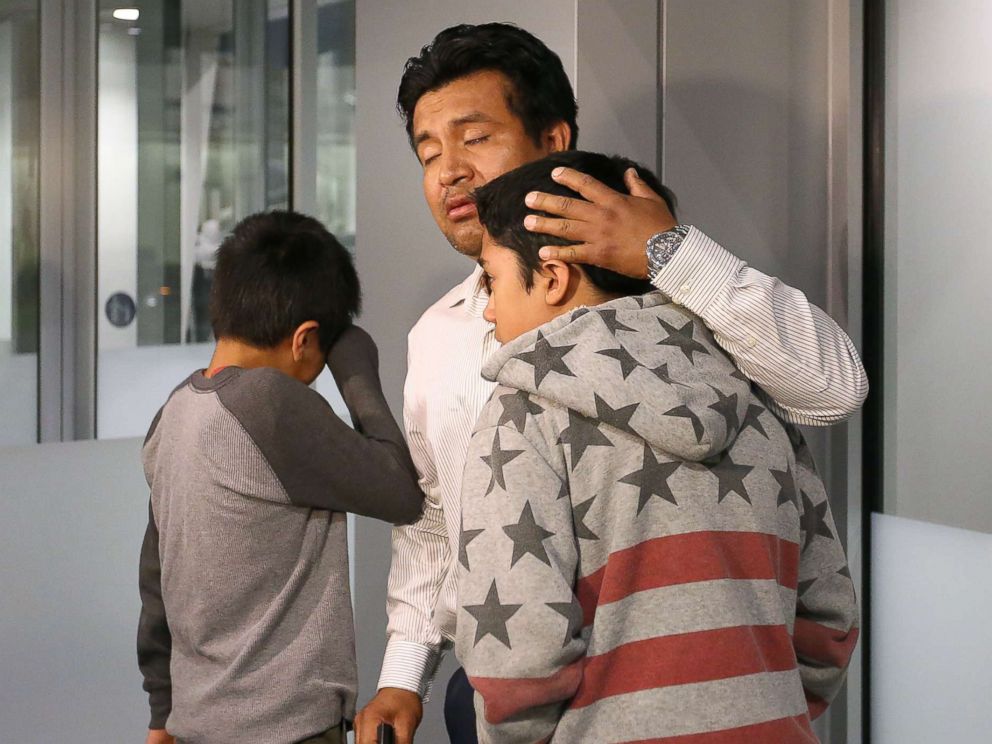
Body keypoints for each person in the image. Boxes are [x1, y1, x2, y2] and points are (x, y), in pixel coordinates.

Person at [355, 23, 867, 744]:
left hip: (595, 695)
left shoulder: (690, 303)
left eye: (473, 138)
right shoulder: (434, 335)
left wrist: (668, 254)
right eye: (428, 151)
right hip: (499, 680)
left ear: (555, 140)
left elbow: (834, 388)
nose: (447, 173)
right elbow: (438, 516)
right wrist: (403, 675)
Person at [454, 150, 858, 743]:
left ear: (553, 277)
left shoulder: (524, 411)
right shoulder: (756, 391)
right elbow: (828, 618)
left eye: (490, 278)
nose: (486, 310)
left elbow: (517, 656)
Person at [137, 211, 424, 744]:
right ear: (304, 338)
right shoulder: (269, 403)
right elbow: (400, 491)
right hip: (285, 728)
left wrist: (161, 713)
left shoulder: (173, 413)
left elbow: (156, 579)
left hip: (196, 724)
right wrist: (354, 359)